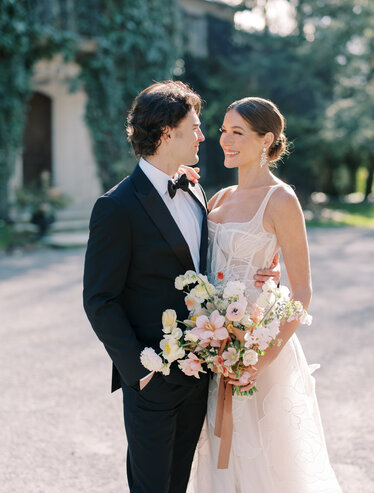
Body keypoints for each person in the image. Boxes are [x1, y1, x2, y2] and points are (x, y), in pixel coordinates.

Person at [83, 81, 278, 493]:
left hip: (200, 374)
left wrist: (265, 276)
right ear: (167, 133)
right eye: (195, 126)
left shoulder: (194, 190)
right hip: (152, 378)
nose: (204, 136)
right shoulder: (116, 207)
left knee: (179, 484)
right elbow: (100, 300)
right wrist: (140, 370)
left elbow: (214, 267)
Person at [188, 97, 342, 492]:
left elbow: (303, 290)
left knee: (266, 462)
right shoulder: (217, 198)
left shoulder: (282, 200)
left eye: (237, 132)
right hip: (215, 348)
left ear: (266, 140)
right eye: (223, 130)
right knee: (218, 451)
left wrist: (260, 357)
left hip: (259, 348)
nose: (224, 140)